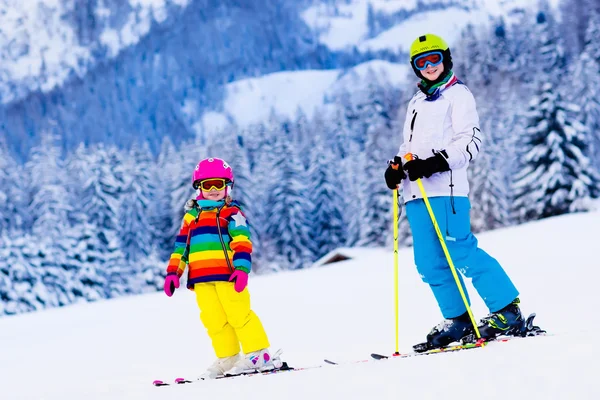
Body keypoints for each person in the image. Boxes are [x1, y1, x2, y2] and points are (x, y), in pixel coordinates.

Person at [384, 34, 522, 349]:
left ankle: (506, 309)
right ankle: (459, 320)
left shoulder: (459, 95)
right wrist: (397, 168)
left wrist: (435, 162)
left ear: (446, 59)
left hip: (446, 189)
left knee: (460, 250)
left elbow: (470, 141)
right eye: (422, 62)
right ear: (415, 68)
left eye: (435, 59)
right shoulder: (416, 102)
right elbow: (409, 148)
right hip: (415, 193)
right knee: (428, 262)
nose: (430, 66)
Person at [163, 157, 281, 378]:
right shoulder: (191, 216)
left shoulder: (232, 213)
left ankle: (259, 353)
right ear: (199, 188)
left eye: (219, 183)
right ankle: (228, 357)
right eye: (208, 185)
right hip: (200, 279)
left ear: (228, 185)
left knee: (239, 314)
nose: (214, 189)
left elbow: (242, 242)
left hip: (227, 276)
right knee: (213, 320)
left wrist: (242, 269)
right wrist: (173, 272)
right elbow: (181, 247)